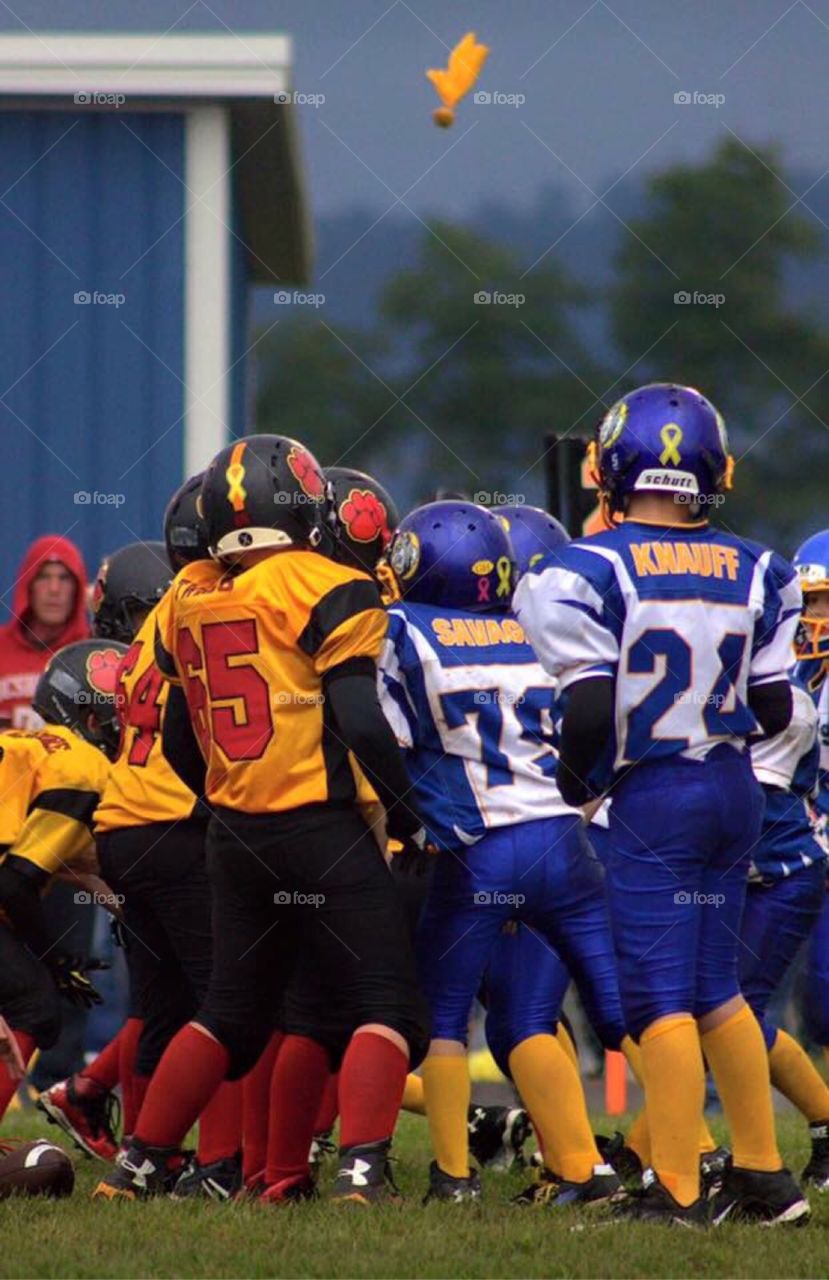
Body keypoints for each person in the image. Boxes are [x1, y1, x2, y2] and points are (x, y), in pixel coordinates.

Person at [94, 434, 429, 1205]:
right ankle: (362, 1170)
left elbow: (179, 736)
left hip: (233, 838)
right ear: (305, 503)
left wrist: (220, 800)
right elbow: (359, 719)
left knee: (230, 1015)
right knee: (386, 1005)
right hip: (321, 827)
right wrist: (406, 815)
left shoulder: (190, 595)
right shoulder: (328, 584)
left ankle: (137, 1165)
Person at [515, 381, 809, 1226]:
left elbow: (582, 707)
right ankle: (763, 1174)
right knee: (717, 987)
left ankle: (676, 1188)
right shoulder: (762, 568)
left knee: (656, 1001)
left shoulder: (585, 568)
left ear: (611, 464)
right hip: (733, 788)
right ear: (714, 469)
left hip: (653, 794)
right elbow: (779, 708)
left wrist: (582, 782)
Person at [380, 499, 639, 1207]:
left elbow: (386, 741)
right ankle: (653, 1160)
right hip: (566, 839)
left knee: (443, 1018)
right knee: (604, 1013)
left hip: (480, 850)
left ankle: (453, 1177)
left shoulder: (400, 629)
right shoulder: (531, 632)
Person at [0, 639, 125, 1126]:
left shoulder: (39, 750)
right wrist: (52, 960)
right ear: (91, 719)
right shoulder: (83, 769)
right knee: (35, 1006)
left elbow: (73, 867)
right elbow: (14, 886)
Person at [0, 535, 89, 729]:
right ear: (28, 586)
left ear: (77, 590)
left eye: (64, 578)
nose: (54, 589)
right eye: (43, 577)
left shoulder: (91, 657)